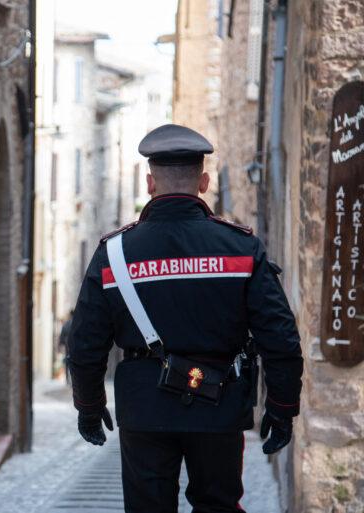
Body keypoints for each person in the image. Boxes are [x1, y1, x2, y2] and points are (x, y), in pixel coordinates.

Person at [67, 124, 303, 513]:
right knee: (218, 505)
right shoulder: (240, 248)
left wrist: (89, 405)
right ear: (204, 181)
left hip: (144, 406)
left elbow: (86, 342)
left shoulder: (114, 254)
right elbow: (280, 336)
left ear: (149, 183)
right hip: (219, 400)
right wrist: (281, 405)